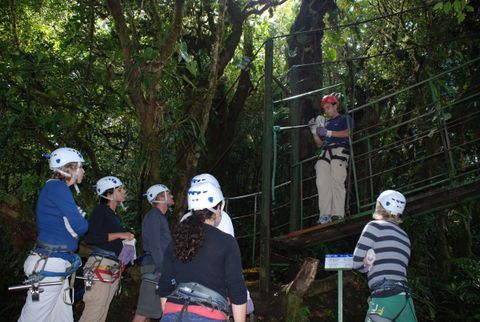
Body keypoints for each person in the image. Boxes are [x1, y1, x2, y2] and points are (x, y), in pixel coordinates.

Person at [157, 182, 247, 322]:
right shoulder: (227, 242)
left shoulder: (177, 240)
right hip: (209, 315)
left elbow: (164, 286)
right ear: (218, 208)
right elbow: (237, 290)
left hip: (172, 313)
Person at [18, 147, 89, 322]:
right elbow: (81, 227)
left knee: (61, 318)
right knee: (33, 317)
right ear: (70, 168)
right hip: (50, 264)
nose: (84, 171)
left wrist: (72, 228)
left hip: (53, 264)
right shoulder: (58, 188)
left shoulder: (54, 188)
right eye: (81, 167)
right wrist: (77, 224)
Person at [352, 190, 417, 322]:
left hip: (385, 296)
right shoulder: (405, 237)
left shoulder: (374, 226)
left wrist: (365, 264)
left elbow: (355, 262)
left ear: (381, 206)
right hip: (404, 300)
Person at [79, 176, 135, 322]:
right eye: (120, 189)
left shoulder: (114, 216)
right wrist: (119, 235)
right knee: (94, 311)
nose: (124, 192)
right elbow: (90, 237)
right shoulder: (100, 210)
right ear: (109, 193)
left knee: (101, 313)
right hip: (100, 264)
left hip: (112, 265)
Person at [133, 184, 174, 322]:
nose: (172, 196)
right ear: (161, 197)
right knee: (143, 312)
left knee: (149, 312)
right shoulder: (154, 216)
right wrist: (163, 270)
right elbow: (156, 246)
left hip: (156, 267)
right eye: (169, 193)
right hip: (155, 268)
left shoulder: (159, 217)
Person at [309, 94, 353, 224]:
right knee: (322, 183)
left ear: (335, 106)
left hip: (339, 151)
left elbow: (348, 133)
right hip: (325, 152)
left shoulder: (345, 118)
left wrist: (328, 133)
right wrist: (314, 132)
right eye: (324, 108)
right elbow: (319, 143)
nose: (326, 110)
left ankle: (337, 213)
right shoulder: (325, 124)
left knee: (337, 181)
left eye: (328, 107)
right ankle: (325, 215)